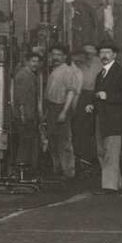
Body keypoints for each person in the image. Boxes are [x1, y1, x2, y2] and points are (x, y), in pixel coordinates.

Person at [94, 44, 122, 192]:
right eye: (101, 52)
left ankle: (109, 186)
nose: (104, 55)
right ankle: (115, 183)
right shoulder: (101, 74)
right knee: (102, 151)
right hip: (102, 117)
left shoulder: (121, 73)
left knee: (111, 152)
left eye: (107, 52)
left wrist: (108, 96)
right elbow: (98, 95)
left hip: (115, 119)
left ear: (114, 55)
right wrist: (93, 105)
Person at [43, 46, 83, 180]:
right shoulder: (54, 71)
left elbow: (71, 92)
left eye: (59, 54)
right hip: (52, 108)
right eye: (53, 54)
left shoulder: (68, 71)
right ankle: (58, 169)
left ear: (65, 57)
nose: (55, 57)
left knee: (64, 142)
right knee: (53, 141)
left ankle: (68, 172)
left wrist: (64, 112)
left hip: (61, 108)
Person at [8, 46, 45, 183]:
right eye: (33, 61)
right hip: (25, 116)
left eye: (37, 61)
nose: (35, 64)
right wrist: (23, 115)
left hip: (30, 115)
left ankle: (23, 173)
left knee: (27, 143)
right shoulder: (24, 75)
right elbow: (21, 98)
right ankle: (21, 173)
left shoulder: (30, 75)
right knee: (25, 144)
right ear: (27, 61)